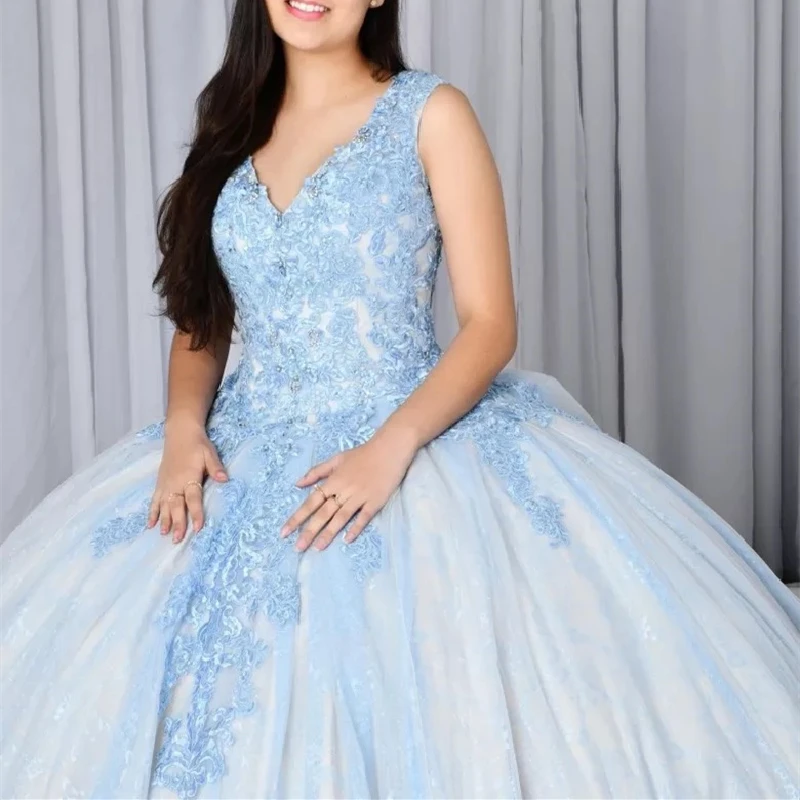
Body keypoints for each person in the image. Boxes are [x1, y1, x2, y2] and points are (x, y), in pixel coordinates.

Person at [2, 0, 799, 797]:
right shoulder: (230, 125)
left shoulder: (431, 113)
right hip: (242, 443)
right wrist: (183, 426)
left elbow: (490, 324)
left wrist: (392, 446)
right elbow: (201, 320)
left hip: (408, 433)